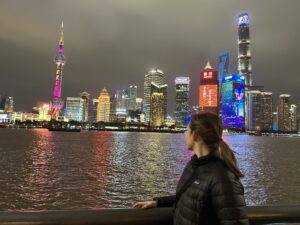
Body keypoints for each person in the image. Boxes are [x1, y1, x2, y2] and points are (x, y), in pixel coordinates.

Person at [133, 112, 249, 225]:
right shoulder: (194, 165)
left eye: (187, 130)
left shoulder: (223, 178)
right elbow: (191, 196)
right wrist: (158, 203)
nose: (185, 134)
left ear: (196, 135)